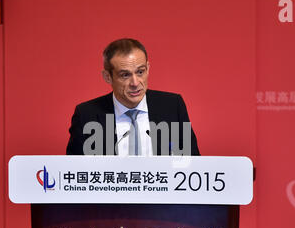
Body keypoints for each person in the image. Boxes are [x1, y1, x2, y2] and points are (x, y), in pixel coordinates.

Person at [66, 38, 200, 156]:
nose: (135, 83)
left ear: (148, 68)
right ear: (107, 77)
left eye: (140, 72)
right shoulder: (86, 115)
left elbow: (192, 164)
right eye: (125, 75)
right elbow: (74, 174)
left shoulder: (172, 107)